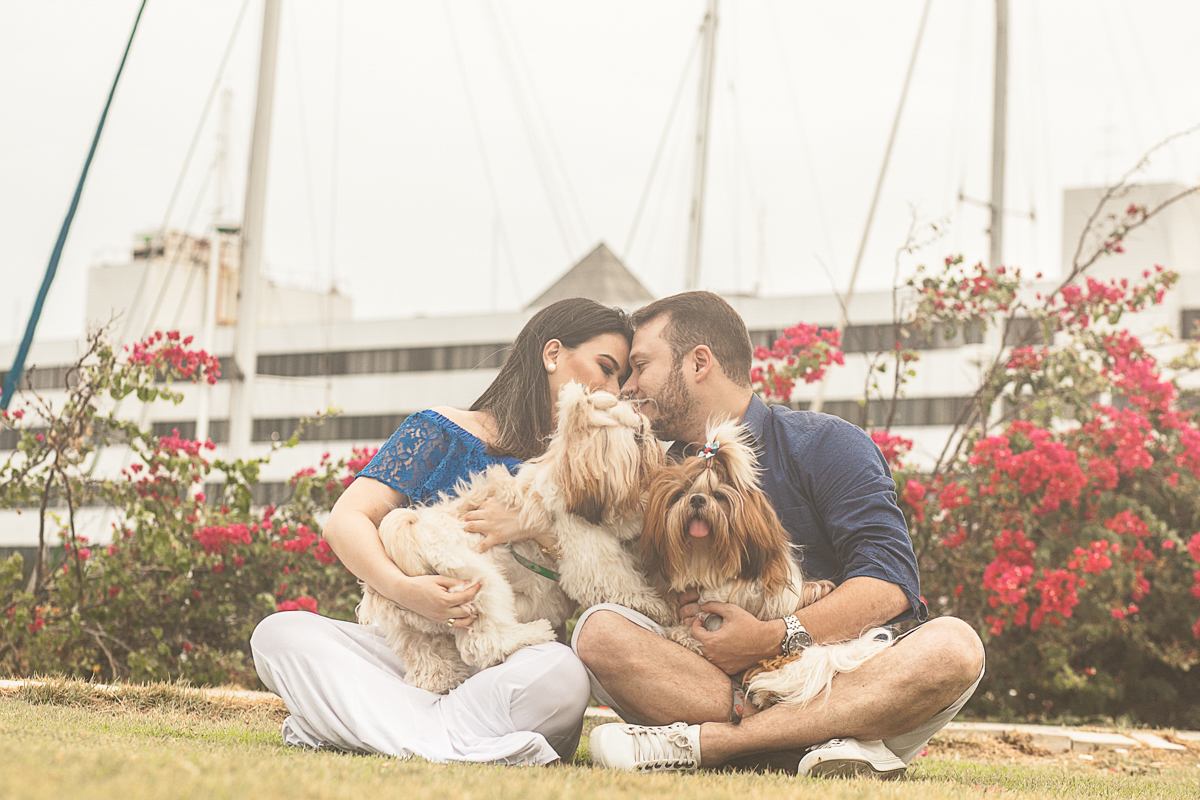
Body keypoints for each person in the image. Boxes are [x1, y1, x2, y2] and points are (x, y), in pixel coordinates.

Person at [579, 291, 986, 777]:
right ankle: (826, 745)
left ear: (698, 363)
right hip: (721, 685)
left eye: (640, 366)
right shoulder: (653, 471)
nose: (627, 386)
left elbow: (890, 583)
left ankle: (713, 745)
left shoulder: (827, 444)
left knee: (954, 647)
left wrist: (771, 637)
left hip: (839, 677)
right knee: (598, 630)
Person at [251, 297, 634, 765]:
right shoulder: (443, 429)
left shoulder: (597, 469)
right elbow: (345, 520)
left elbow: (601, 581)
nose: (614, 388)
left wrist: (533, 526)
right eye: (607, 367)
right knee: (279, 634)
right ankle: (446, 735)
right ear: (552, 354)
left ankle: (368, 726)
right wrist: (407, 590)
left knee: (563, 676)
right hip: (413, 654)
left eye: (622, 379)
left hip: (510, 663)